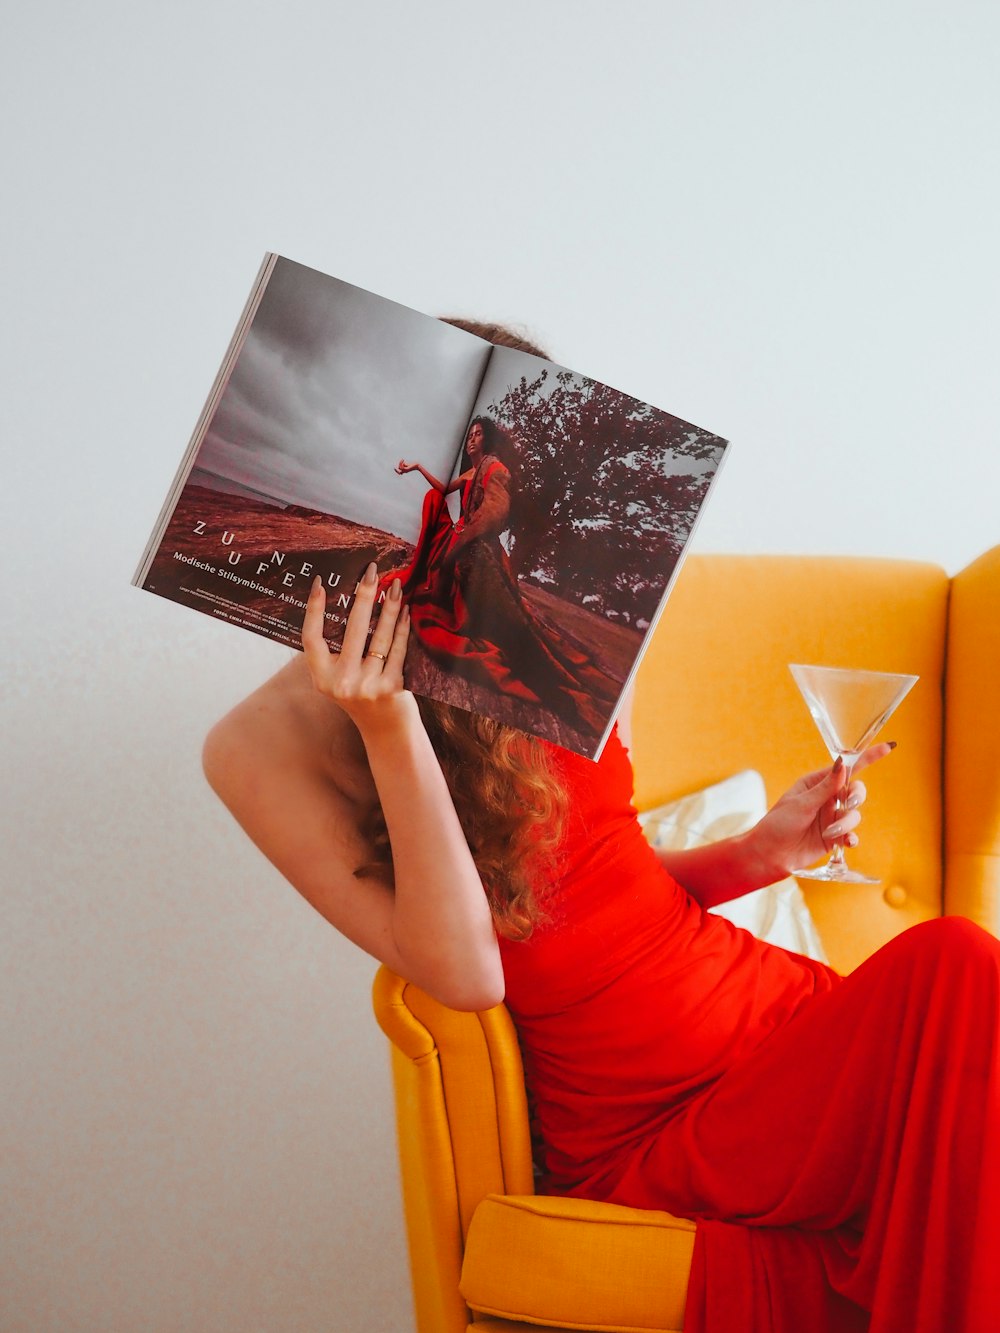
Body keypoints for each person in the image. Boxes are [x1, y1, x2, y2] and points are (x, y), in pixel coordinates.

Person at [202, 325, 1000, 1333]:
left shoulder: (543, 637)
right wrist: (389, 720)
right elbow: (466, 972)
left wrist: (756, 854)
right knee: (957, 966)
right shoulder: (261, 745)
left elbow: (598, 880)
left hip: (778, 1031)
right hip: (657, 1124)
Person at [386, 412, 620, 739]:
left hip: (479, 553)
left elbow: (495, 512)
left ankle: (552, 687)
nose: (471, 439)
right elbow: (443, 489)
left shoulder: (496, 469)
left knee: (508, 631)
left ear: (488, 440)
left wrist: (463, 538)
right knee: (432, 502)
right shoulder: (470, 471)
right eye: (469, 434)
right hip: (465, 542)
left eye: (478, 434)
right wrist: (415, 468)